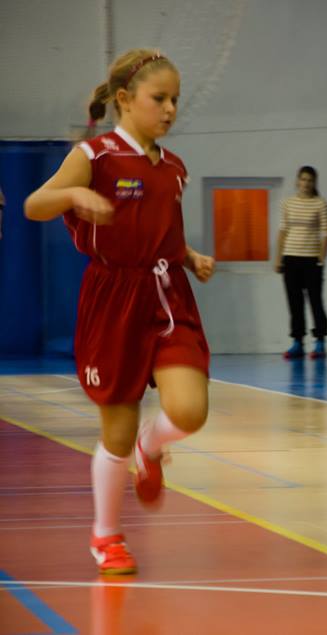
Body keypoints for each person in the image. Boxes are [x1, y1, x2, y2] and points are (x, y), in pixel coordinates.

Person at [23, 49, 214, 575]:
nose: (170, 109)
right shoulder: (95, 156)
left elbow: (162, 232)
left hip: (167, 293)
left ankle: (151, 448)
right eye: (160, 98)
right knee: (117, 431)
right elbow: (34, 205)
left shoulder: (174, 167)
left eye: (176, 99)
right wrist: (74, 194)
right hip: (113, 299)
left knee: (189, 411)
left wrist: (189, 256)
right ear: (126, 99)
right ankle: (106, 536)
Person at [274, 166, 327, 359]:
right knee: (294, 302)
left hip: (312, 260)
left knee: (316, 301)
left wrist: (321, 257)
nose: (306, 183)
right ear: (298, 181)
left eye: (310, 180)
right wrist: (278, 258)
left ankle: (320, 341)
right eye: (303, 179)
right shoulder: (287, 203)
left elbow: (326, 233)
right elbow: (283, 231)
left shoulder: (320, 204)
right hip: (291, 259)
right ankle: (297, 342)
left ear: (314, 183)